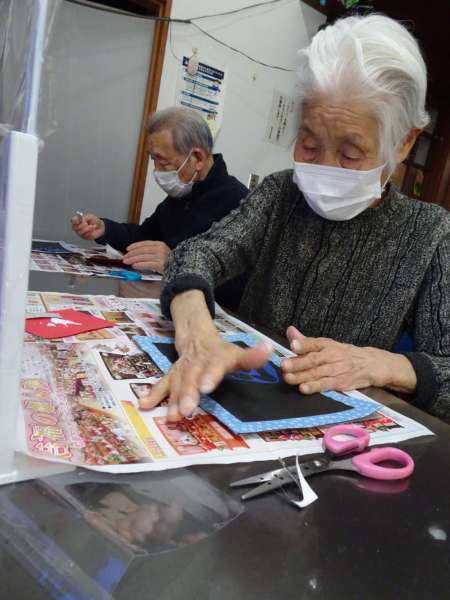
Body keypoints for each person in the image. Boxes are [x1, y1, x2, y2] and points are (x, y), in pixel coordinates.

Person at [138, 15, 450, 422]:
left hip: (335, 433)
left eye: (350, 153)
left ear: (404, 142)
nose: (324, 167)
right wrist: (196, 328)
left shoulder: (429, 233)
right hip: (240, 398)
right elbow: (196, 254)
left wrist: (383, 364)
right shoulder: (281, 193)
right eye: (309, 144)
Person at [71, 106, 249, 309]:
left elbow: (240, 287)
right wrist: (104, 229)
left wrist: (175, 262)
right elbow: (143, 239)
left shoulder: (239, 203)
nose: (156, 170)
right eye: (153, 159)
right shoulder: (183, 193)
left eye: (162, 161)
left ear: (197, 158)